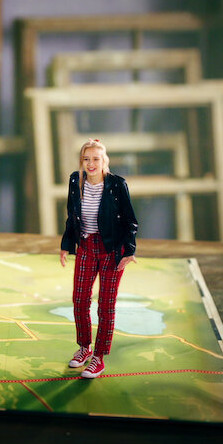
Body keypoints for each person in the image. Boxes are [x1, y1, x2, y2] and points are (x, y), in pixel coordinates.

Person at [59, 138, 138, 378]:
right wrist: (66, 245)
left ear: (104, 161)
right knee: (80, 300)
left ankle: (99, 357)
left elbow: (130, 221)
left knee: (106, 305)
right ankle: (84, 347)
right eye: (86, 159)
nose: (91, 163)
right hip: (85, 246)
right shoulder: (75, 180)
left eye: (96, 159)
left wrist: (129, 251)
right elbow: (72, 216)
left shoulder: (117, 184)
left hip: (112, 250)